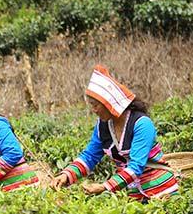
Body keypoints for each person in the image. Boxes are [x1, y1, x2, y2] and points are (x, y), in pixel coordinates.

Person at [51, 65, 179, 201]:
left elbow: (136, 167)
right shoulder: (103, 126)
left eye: (95, 105)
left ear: (109, 103)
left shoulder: (142, 124)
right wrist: (66, 175)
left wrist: (104, 187)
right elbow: (90, 156)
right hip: (132, 195)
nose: (93, 110)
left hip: (161, 192)